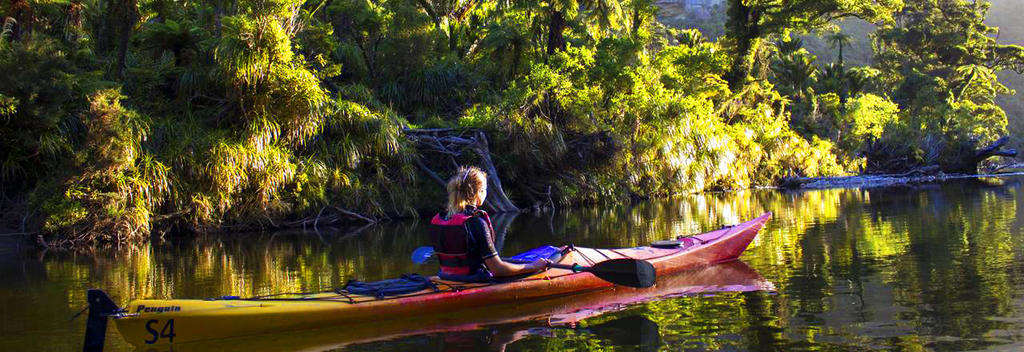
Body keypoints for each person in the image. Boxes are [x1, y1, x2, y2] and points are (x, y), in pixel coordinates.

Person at [429, 166, 548, 282]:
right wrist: (534, 266)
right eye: (485, 189)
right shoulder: (476, 222)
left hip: (446, 277)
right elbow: (498, 270)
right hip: (474, 280)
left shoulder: (439, 220)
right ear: (478, 193)